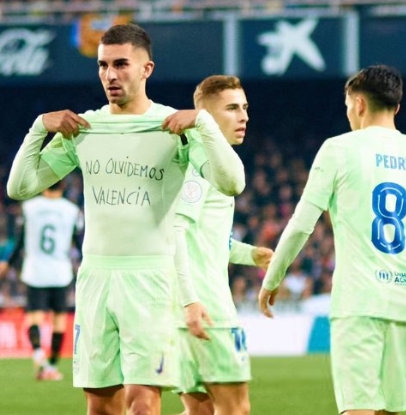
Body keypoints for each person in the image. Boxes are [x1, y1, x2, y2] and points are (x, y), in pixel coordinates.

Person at [6, 23, 246, 415]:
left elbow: (232, 182)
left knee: (143, 404)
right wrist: (38, 128)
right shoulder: (85, 129)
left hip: (151, 279)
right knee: (100, 407)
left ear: (146, 69)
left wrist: (204, 123)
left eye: (121, 64)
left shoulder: (173, 127)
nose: (110, 75)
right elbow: (20, 187)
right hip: (95, 278)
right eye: (103, 65)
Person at [258, 65, 406, 415]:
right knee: (389, 410)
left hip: (360, 299)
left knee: (359, 409)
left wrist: (272, 278)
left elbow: (302, 224)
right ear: (396, 107)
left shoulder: (339, 149)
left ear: (360, 104)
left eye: (349, 106)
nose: (349, 113)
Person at [173, 75, 273, 415]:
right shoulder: (205, 161)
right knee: (235, 409)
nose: (243, 116)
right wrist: (192, 300)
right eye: (232, 108)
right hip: (207, 307)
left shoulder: (192, 157)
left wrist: (250, 254)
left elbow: (204, 237)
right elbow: (177, 231)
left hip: (183, 307)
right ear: (206, 116)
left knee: (199, 410)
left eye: (244, 107)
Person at [0, 180, 84, 381]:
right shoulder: (72, 210)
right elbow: (79, 243)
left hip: (35, 271)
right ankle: (51, 366)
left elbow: (20, 241)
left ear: (44, 186)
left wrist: (7, 263)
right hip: (61, 272)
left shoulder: (29, 208)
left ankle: (37, 351)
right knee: (59, 320)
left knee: (34, 318)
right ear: (63, 187)